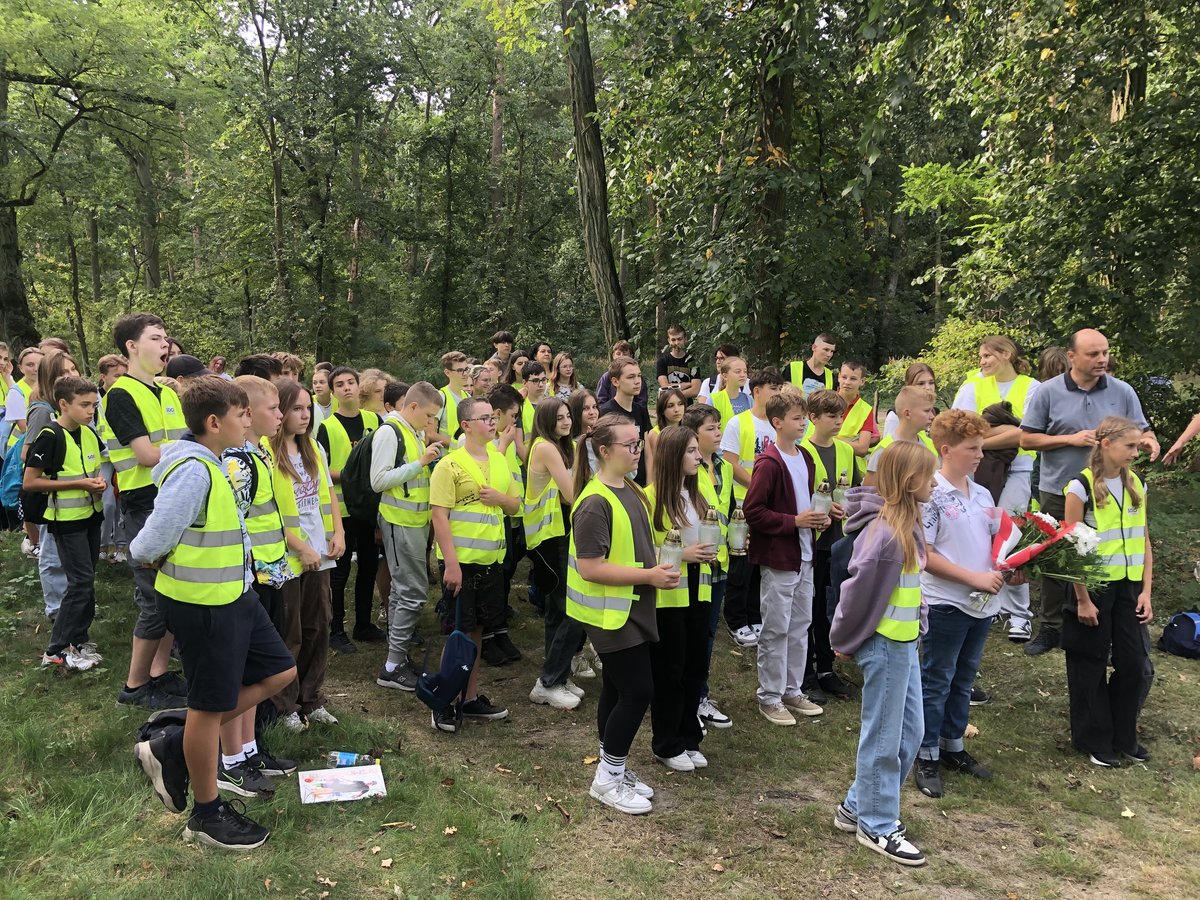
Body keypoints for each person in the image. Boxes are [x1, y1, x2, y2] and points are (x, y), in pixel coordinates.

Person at [132, 376, 297, 851]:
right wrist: (164, 558)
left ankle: (174, 741)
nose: (248, 421)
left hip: (234, 596)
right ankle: (206, 814)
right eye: (241, 414)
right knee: (209, 707)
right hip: (202, 605)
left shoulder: (216, 462)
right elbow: (145, 545)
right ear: (213, 422)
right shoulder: (194, 471)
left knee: (280, 671)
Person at [830, 441, 938, 868]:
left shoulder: (907, 525)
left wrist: (919, 625)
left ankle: (857, 805)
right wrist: (844, 639)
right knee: (884, 737)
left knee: (910, 732)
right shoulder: (886, 534)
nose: (934, 482)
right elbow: (857, 592)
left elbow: (911, 586)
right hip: (886, 646)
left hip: (905, 644)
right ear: (910, 481)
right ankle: (876, 823)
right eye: (929, 475)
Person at [1019, 329, 1159, 656]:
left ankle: (1101, 629)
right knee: (1057, 559)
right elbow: (1026, 439)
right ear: (1071, 356)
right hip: (1059, 488)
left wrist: (1149, 441)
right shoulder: (1048, 392)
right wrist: (1069, 439)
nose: (1102, 359)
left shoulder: (1122, 391)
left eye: (1105, 353)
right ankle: (1051, 628)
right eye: (1093, 354)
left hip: (1110, 491)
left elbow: (1142, 430)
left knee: (1100, 558)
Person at [568, 415, 679, 815]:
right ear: (604, 451)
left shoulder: (628, 487)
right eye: (630, 445)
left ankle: (612, 767)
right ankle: (607, 780)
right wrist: (649, 576)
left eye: (639, 443)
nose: (638, 451)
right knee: (638, 691)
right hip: (609, 614)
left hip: (628, 607)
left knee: (617, 690)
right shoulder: (594, 502)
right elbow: (590, 567)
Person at [912, 410, 1008, 800]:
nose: (980, 455)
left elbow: (993, 543)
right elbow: (925, 554)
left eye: (981, 448)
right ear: (946, 450)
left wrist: (1009, 567)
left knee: (963, 679)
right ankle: (925, 753)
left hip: (981, 605)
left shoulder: (981, 493)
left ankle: (953, 745)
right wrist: (973, 578)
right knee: (937, 680)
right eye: (972, 448)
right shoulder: (931, 494)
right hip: (946, 603)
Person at [217, 375, 299, 793]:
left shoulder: (258, 452)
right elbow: (234, 523)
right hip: (249, 577)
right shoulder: (237, 462)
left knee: (255, 669)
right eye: (273, 408)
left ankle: (249, 748)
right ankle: (231, 758)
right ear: (247, 414)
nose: (281, 415)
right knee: (242, 671)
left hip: (269, 573)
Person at [105, 313, 189, 709]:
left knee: (172, 592)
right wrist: (191, 450)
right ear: (132, 346)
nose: (165, 344)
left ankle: (158, 673)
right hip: (143, 505)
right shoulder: (120, 395)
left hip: (175, 498)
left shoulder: (167, 393)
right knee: (153, 598)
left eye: (166, 338)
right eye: (156, 338)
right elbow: (145, 454)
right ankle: (135, 686)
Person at [1062, 416, 1153, 768]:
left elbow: (1144, 539)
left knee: (1134, 664)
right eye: (1130, 446)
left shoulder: (1136, 483)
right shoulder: (1080, 487)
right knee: (1089, 662)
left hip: (1129, 588)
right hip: (1094, 589)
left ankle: (1123, 736)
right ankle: (1094, 739)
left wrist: (1146, 591)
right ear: (1106, 444)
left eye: (1137, 446)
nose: (1135, 452)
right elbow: (1071, 548)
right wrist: (1082, 599)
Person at [428, 395, 519, 732]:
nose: (492, 423)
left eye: (493, 417)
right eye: (484, 418)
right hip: (461, 564)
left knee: (478, 630)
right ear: (466, 425)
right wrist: (451, 564)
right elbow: (439, 516)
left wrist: (501, 499)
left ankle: (469, 697)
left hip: (490, 562)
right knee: (458, 633)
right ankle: (443, 701)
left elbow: (515, 505)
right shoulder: (449, 465)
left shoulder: (499, 460)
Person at [745, 392, 830, 725]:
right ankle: (769, 695)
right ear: (777, 422)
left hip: (805, 556)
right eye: (797, 418)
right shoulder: (769, 463)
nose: (803, 422)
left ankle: (792, 689)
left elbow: (805, 500)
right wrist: (794, 522)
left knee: (799, 626)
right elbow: (754, 511)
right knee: (776, 628)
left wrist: (822, 514)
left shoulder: (805, 456)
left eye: (804, 417)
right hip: (780, 559)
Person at [952, 335, 1040, 643]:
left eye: (987, 356)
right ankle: (986, 601)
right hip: (977, 470)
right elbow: (957, 429)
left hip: (1017, 469)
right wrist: (1005, 432)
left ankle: (1019, 614)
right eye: (981, 356)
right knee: (978, 531)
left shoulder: (1032, 387)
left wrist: (980, 440)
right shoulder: (972, 386)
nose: (982, 362)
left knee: (1011, 533)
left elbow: (1025, 435)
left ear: (1005, 355)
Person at [270, 380, 345, 731]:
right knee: (290, 631)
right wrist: (301, 548)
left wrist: (338, 533)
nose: (305, 415)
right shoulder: (266, 453)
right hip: (287, 556)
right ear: (280, 411)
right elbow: (268, 512)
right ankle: (285, 705)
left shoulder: (314, 447)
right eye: (296, 408)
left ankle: (312, 698)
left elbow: (328, 495)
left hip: (320, 552)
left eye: (308, 408)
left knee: (319, 624)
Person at [646, 425, 717, 770]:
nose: (698, 457)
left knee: (694, 666)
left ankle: (689, 737)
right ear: (673, 456)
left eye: (697, 450)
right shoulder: (650, 497)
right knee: (670, 669)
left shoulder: (697, 493)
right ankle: (666, 742)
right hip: (669, 596)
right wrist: (683, 555)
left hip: (699, 590)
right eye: (690, 451)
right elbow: (643, 550)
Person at [27, 375, 105, 673]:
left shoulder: (89, 433)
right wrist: (80, 484)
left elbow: (95, 466)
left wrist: (96, 484)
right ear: (63, 404)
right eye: (84, 405)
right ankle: (56, 650)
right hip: (66, 521)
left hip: (91, 515)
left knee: (87, 581)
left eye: (94, 405)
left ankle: (79, 641)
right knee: (80, 583)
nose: (91, 411)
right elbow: (31, 482)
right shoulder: (50, 435)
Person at [373, 381, 444, 691]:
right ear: (412, 406)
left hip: (414, 523)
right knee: (413, 593)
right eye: (428, 416)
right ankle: (392, 667)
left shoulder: (411, 431)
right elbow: (378, 480)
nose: (430, 423)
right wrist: (420, 463)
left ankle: (397, 658)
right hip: (399, 522)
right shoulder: (390, 432)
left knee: (403, 592)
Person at [798, 388, 859, 703]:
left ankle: (826, 668)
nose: (838, 421)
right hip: (813, 543)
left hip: (840, 542)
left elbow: (855, 489)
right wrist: (821, 508)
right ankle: (805, 673)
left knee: (830, 608)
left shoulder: (845, 450)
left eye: (840, 416)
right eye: (831, 416)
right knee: (809, 610)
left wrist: (849, 508)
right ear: (813, 418)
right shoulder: (802, 451)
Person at [317, 365, 382, 653]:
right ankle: (336, 629)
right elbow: (321, 469)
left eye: (350, 382)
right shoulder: (327, 427)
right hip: (342, 510)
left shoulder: (374, 420)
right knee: (340, 572)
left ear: (358, 386)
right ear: (333, 392)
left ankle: (364, 624)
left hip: (368, 507)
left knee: (369, 566)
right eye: (340, 384)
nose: (346, 388)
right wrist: (351, 474)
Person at [525, 398, 585, 710]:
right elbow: (572, 493)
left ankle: (558, 674)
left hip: (560, 532)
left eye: (568, 416)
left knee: (557, 611)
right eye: (559, 418)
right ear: (546, 421)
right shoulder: (546, 447)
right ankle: (548, 682)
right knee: (573, 609)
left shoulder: (563, 446)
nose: (567, 422)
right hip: (551, 536)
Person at [720, 368, 785, 647]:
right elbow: (731, 463)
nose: (778, 394)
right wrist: (759, 486)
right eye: (773, 389)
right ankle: (736, 619)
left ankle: (755, 614)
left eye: (780, 389)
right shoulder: (739, 423)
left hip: (768, 504)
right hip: (741, 503)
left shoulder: (778, 425)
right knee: (741, 562)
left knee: (760, 560)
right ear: (757, 391)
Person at [681, 404, 734, 729]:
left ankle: (699, 695)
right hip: (695, 563)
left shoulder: (724, 466)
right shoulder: (688, 469)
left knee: (709, 633)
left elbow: (726, 510)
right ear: (693, 435)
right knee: (693, 633)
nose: (718, 433)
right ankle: (689, 698)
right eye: (710, 429)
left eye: (719, 427)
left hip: (720, 561)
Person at [22, 350, 80, 622]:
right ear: (49, 377)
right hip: (49, 492)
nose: (70, 376)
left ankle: (72, 601)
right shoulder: (43, 410)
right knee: (53, 552)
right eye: (62, 372)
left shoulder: (72, 406)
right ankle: (56, 608)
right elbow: (28, 453)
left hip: (71, 495)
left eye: (72, 369)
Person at [865, 386, 936, 485]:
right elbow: (869, 490)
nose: (932, 416)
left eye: (932, 411)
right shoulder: (884, 450)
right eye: (927, 411)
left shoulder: (930, 444)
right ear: (907, 414)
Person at [599, 357, 654, 486]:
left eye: (639, 376)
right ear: (615, 381)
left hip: (642, 483)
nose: (637, 381)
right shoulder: (606, 413)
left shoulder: (640, 410)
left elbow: (647, 452)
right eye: (631, 377)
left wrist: (650, 484)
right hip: (619, 484)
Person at [96, 354, 128, 562]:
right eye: (116, 376)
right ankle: (102, 545)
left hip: (125, 456)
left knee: (123, 501)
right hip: (104, 458)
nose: (121, 380)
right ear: (103, 377)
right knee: (107, 503)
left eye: (124, 376)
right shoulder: (94, 399)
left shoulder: (128, 396)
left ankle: (121, 547)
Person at [834, 361, 879, 478]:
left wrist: (831, 439)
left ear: (862, 381)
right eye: (844, 377)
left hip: (852, 473)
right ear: (839, 377)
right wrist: (852, 442)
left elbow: (862, 449)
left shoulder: (866, 409)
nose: (847, 382)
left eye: (853, 379)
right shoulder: (825, 401)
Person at [882, 363, 937, 439]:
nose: (928, 387)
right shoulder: (895, 417)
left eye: (931, 383)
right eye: (921, 383)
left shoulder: (935, 412)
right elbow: (891, 444)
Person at [646, 387, 686, 477]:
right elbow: (656, 467)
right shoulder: (655, 434)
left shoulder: (688, 430)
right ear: (662, 410)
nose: (677, 409)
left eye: (680, 404)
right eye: (670, 406)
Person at [595, 340, 648, 407]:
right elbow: (600, 402)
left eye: (625, 354)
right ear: (613, 355)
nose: (621, 357)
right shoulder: (606, 377)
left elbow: (642, 403)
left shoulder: (638, 377)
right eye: (618, 354)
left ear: (631, 356)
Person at [655, 325, 700, 401]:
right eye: (673, 340)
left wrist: (673, 393)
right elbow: (665, 387)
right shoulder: (662, 361)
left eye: (679, 339)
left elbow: (696, 390)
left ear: (685, 339)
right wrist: (688, 384)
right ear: (669, 341)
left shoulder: (692, 362)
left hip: (687, 406)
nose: (677, 343)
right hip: (668, 405)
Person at [705, 356, 751, 430]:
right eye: (738, 371)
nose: (743, 375)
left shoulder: (749, 400)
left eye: (745, 371)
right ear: (725, 376)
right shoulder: (713, 400)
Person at [438, 351, 471, 443]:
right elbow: (430, 433)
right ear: (447, 373)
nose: (465, 374)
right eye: (460, 370)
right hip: (446, 452)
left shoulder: (468, 396)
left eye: (466, 369)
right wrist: (456, 445)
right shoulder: (441, 396)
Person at [310, 364, 334, 428]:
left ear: (330, 384)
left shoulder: (339, 400)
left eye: (322, 382)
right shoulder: (309, 401)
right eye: (314, 383)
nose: (317, 386)